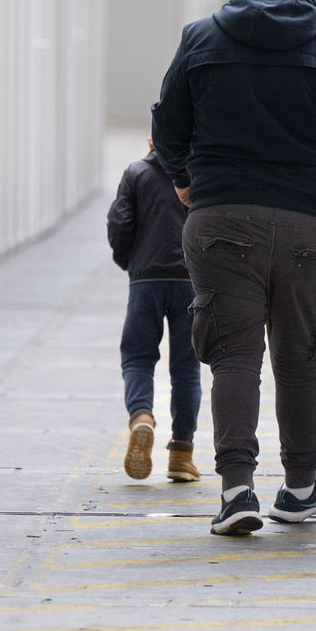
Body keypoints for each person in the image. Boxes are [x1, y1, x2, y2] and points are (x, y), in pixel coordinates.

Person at [152, 0, 316, 536]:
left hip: (220, 220)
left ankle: (237, 493)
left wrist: (185, 180)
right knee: (299, 360)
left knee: (233, 358)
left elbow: (167, 121)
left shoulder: (200, 36)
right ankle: (301, 489)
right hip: (309, 226)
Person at [107, 140, 200, 483]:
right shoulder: (202, 175)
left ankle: (142, 416)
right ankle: (181, 454)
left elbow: (119, 224)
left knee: (137, 357)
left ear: (152, 141)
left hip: (146, 280)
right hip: (191, 281)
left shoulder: (136, 173)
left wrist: (131, 262)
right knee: (186, 369)